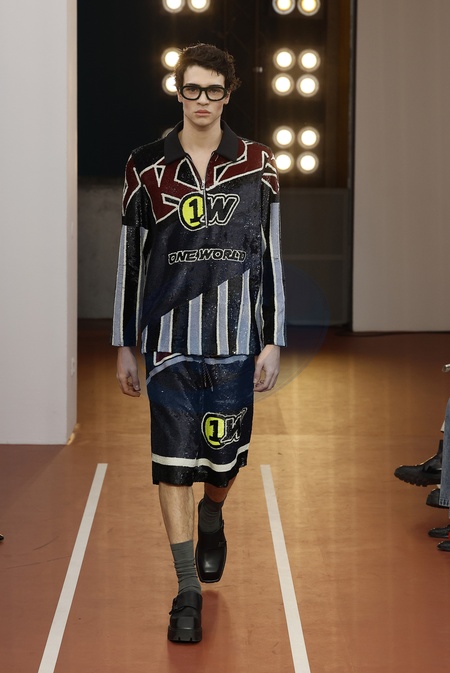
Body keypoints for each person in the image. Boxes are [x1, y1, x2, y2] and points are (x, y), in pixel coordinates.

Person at [112, 43, 286, 643]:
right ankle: (186, 589)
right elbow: (130, 260)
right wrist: (125, 342)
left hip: (236, 343)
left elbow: (271, 256)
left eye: (214, 90)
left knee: (222, 460)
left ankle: (214, 511)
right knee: (172, 464)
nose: (202, 100)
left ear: (228, 94)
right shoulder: (145, 167)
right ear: (178, 91)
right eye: (192, 89)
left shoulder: (259, 164)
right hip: (168, 344)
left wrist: (272, 338)